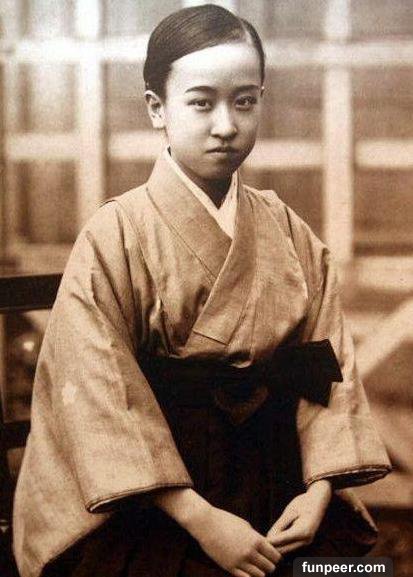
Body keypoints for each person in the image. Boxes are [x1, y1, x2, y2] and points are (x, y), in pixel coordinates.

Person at [13, 5, 391, 577]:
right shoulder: (116, 235)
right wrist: (201, 519)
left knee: (347, 571)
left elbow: (325, 363)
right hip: (156, 500)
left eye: (244, 101)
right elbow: (98, 394)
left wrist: (318, 492)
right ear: (157, 108)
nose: (226, 124)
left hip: (280, 481)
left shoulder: (286, 229)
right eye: (201, 102)